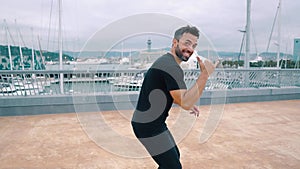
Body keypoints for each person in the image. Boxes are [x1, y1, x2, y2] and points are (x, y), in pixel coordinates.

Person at [131, 25, 218, 169]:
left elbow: (174, 95)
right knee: (173, 166)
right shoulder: (171, 67)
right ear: (175, 42)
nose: (190, 49)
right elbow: (184, 101)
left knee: (173, 158)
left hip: (153, 124)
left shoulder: (167, 62)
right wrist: (204, 74)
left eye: (194, 45)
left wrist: (188, 102)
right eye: (187, 43)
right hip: (148, 126)